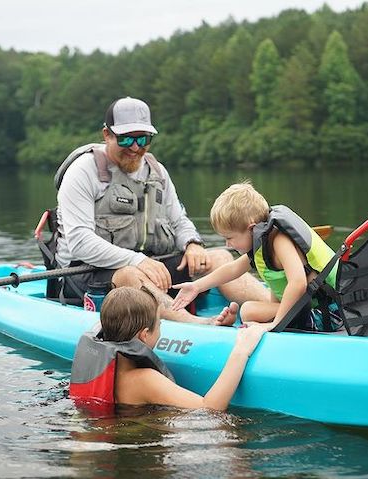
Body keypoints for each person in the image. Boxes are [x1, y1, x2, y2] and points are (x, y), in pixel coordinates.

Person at [54, 96, 270, 325]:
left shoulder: (157, 172)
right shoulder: (82, 172)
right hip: (86, 274)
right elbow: (79, 242)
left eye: (144, 139)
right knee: (130, 274)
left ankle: (278, 309)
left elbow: (179, 221)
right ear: (107, 135)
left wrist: (192, 244)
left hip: (148, 265)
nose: (136, 148)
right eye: (127, 139)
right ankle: (196, 325)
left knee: (219, 257)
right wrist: (136, 260)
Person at [171, 182, 340, 331]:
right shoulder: (262, 240)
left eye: (229, 238)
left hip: (330, 313)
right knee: (254, 307)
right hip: (311, 309)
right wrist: (196, 286)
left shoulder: (280, 240)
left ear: (251, 228)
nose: (227, 244)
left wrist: (276, 324)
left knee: (248, 311)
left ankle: (279, 320)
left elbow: (298, 283)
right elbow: (234, 268)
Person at [69, 286, 265, 410]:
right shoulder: (144, 379)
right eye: (160, 324)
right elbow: (210, 409)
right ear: (144, 335)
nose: (160, 329)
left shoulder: (105, 366)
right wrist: (241, 351)